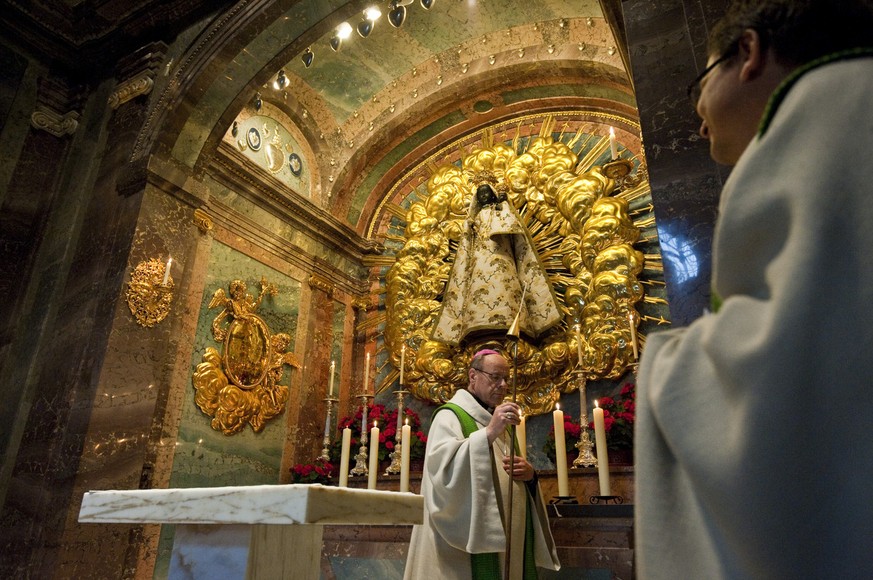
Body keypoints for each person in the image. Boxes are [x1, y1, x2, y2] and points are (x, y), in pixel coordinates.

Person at [635, 1, 873, 578]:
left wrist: (663, 366)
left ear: (749, 52)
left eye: (699, 83)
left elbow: (796, 358)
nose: (695, 114)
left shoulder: (829, 115)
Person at [404, 349, 560, 579]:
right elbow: (442, 473)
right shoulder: (449, 416)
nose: (503, 384)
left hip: (508, 544)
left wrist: (530, 476)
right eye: (495, 377)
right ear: (473, 375)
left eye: (506, 378)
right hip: (460, 556)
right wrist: (488, 433)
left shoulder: (497, 421)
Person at [432, 180, 562, 345]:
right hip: (479, 261)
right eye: (480, 194)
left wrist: (504, 204)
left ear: (492, 194)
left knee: (505, 286)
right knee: (478, 288)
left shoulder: (500, 210)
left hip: (502, 256)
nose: (484, 196)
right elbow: (467, 242)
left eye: (487, 192)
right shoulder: (473, 219)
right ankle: (478, 322)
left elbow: (511, 226)